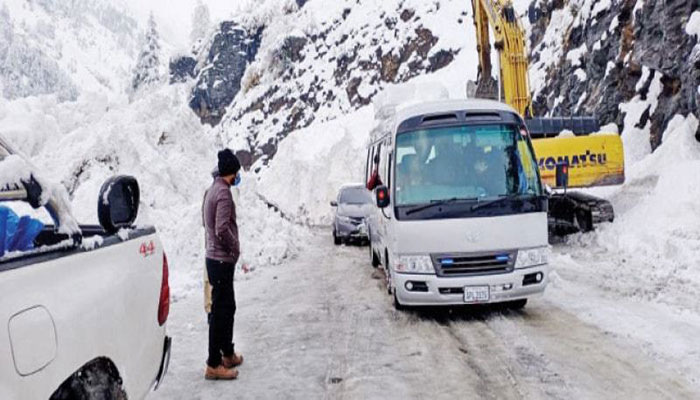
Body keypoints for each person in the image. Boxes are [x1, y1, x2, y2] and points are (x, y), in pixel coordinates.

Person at [202, 149, 244, 380]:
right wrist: (234, 247)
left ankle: (227, 352)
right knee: (220, 312)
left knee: (227, 308)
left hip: (215, 258)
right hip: (221, 259)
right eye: (236, 172)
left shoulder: (213, 190)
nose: (238, 177)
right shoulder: (224, 193)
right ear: (232, 172)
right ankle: (213, 363)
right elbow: (221, 228)